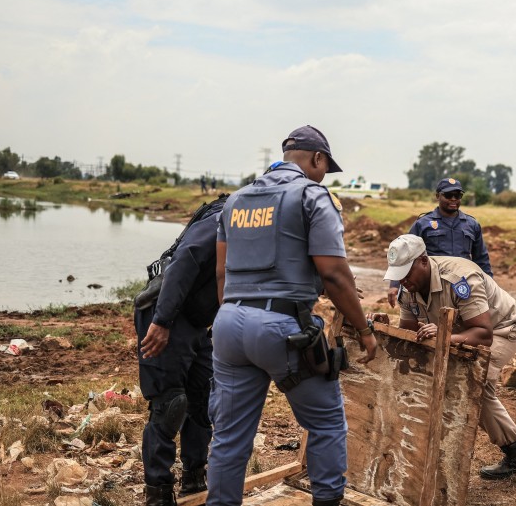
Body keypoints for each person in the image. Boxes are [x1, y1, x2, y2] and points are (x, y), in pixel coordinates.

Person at [207, 125, 378, 506]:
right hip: (283, 329)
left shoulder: (236, 200)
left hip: (229, 323)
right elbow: (334, 273)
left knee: (230, 436)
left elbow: (221, 272)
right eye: (324, 166)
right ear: (317, 159)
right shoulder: (312, 196)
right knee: (326, 423)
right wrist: (364, 330)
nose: (323, 174)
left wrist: (233, 318)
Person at [384, 234, 516, 480]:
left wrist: (443, 335)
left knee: (475, 387)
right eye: (397, 274)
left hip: (500, 330)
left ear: (423, 261)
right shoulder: (408, 287)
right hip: (455, 332)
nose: (402, 280)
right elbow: (409, 333)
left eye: (406, 272)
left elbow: (484, 334)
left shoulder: (459, 279)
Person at [134, 196, 227, 505]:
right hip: (166, 313)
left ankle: (194, 478)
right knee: (170, 404)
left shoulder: (268, 227)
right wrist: (162, 321)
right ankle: (158, 492)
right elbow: (185, 260)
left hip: (197, 321)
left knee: (202, 398)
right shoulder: (229, 216)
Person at [387, 177, 493, 307]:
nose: (453, 199)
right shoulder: (423, 224)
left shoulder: (471, 224)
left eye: (458, 195)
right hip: (434, 284)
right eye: (448, 195)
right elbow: (403, 253)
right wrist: (394, 285)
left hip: (464, 282)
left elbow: (481, 258)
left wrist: (489, 284)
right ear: (438, 196)